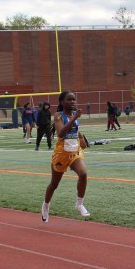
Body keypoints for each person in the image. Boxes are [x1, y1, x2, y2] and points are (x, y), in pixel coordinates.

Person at [41, 90, 90, 222]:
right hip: (61, 154)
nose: (72, 102)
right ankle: (46, 205)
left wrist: (82, 139)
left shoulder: (74, 115)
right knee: (54, 184)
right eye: (69, 99)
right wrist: (74, 118)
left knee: (83, 174)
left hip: (74, 151)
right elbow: (61, 133)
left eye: (74, 99)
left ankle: (79, 203)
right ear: (62, 102)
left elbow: (76, 130)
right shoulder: (58, 115)